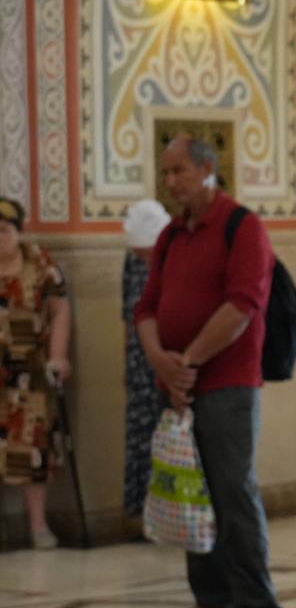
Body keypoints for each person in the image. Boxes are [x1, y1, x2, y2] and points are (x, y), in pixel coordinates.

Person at [135, 136, 282, 608]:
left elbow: (242, 305)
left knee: (231, 491)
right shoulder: (171, 235)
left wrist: (188, 362)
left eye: (178, 170)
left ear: (205, 170)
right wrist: (160, 360)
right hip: (179, 387)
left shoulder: (242, 226)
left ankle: (255, 605)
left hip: (227, 386)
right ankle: (213, 601)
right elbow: (146, 307)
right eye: (166, 172)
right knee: (192, 493)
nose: (170, 181)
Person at [0, 199, 71, 549]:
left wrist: (58, 356)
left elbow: (60, 310)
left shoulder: (40, 261)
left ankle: (38, 526)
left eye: (4, 230)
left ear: (18, 231)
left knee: (32, 448)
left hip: (29, 373)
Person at [121, 199, 170, 522]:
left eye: (146, 254)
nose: (142, 259)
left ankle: (171, 514)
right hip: (139, 363)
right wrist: (126, 363)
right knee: (141, 438)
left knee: (170, 439)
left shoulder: (176, 258)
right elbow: (128, 315)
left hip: (170, 361)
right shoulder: (132, 261)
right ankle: (142, 515)